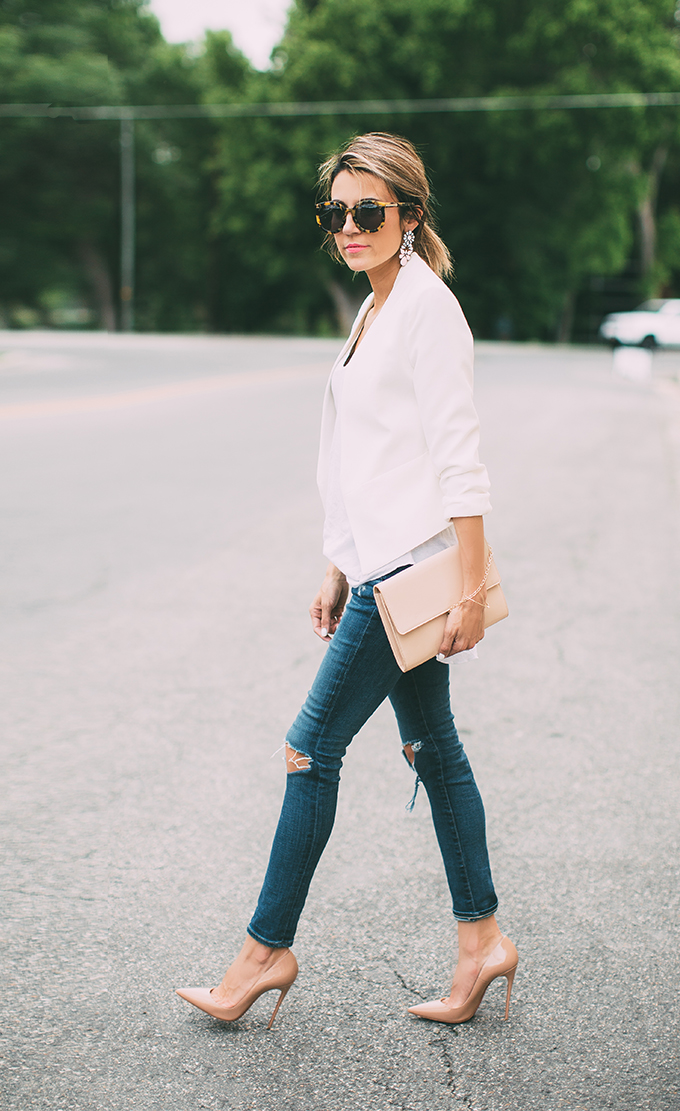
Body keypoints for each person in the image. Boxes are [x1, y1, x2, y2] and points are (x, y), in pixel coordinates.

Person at [176, 132, 517, 1029]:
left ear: (409, 214)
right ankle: (483, 942)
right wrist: (333, 560)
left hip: (407, 572)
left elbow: (459, 460)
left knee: (307, 746)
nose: (352, 227)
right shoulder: (375, 307)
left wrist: (472, 591)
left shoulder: (427, 311)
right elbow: (368, 458)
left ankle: (264, 951)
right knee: (433, 751)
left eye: (370, 211)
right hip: (372, 562)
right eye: (338, 213)